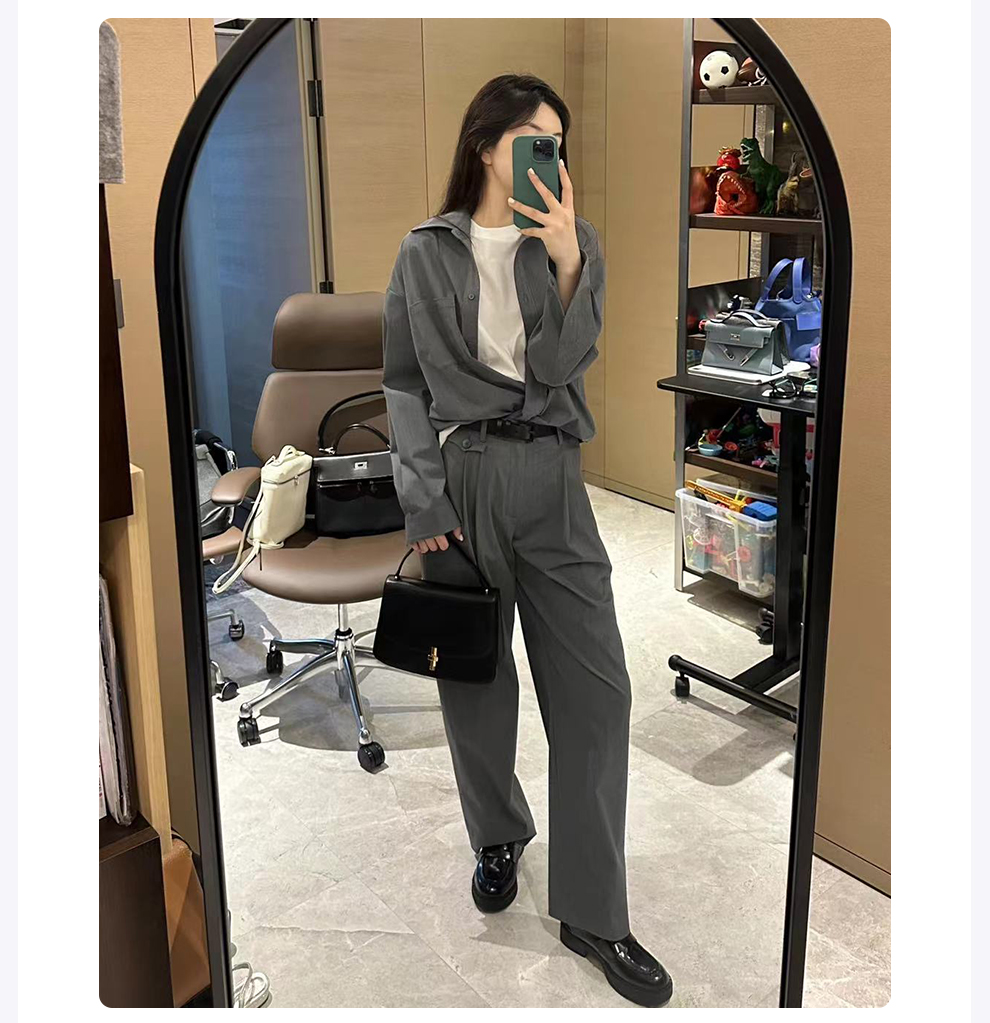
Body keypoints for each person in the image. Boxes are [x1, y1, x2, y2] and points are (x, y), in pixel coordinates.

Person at [381, 73, 672, 1009]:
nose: (552, 156)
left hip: (553, 476)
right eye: (535, 138)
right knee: (475, 680)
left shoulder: (574, 243)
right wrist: (425, 508)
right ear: (486, 145)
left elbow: (559, 363)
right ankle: (497, 834)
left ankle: (592, 908)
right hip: (462, 476)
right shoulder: (426, 251)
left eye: (559, 142)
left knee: (597, 691)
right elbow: (403, 385)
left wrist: (568, 261)